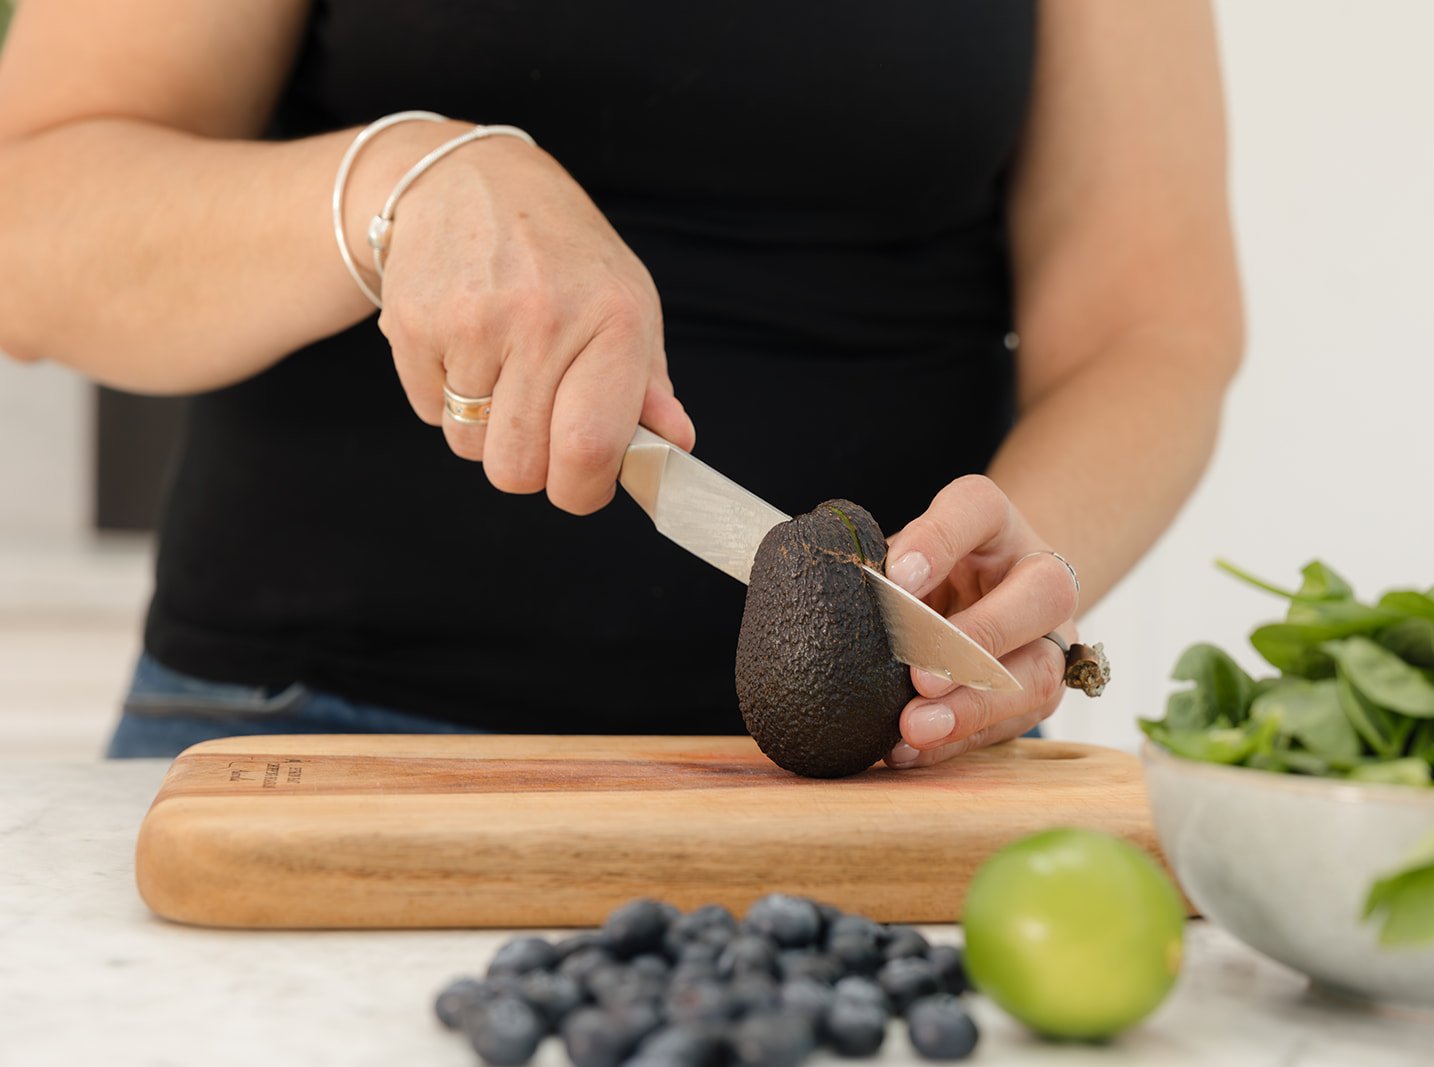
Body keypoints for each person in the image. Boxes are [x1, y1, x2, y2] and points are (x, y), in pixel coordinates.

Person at [0, 1, 1241, 766]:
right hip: (311, 741)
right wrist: (402, 183)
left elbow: (1153, 328)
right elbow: (29, 230)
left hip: (881, 781)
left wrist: (1013, 586)